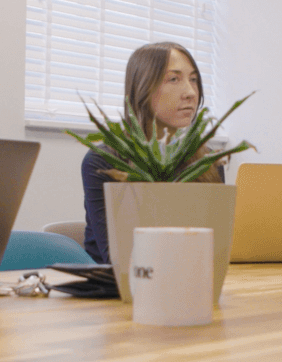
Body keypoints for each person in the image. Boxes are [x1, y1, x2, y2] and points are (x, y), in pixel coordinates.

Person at [81, 41, 221, 263]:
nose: (190, 92)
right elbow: (116, 256)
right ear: (143, 87)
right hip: (119, 289)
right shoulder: (104, 161)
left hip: (192, 278)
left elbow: (218, 246)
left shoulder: (207, 160)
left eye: (193, 80)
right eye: (174, 79)